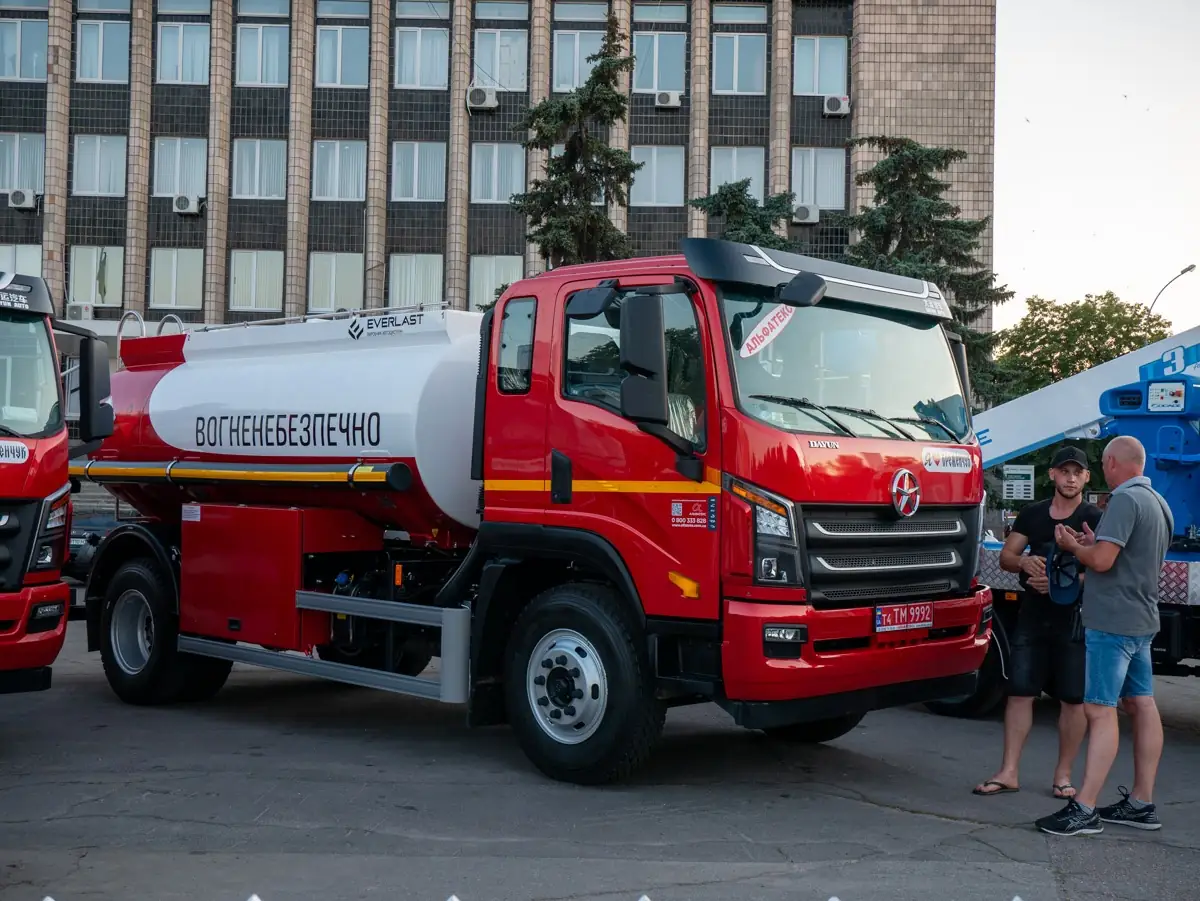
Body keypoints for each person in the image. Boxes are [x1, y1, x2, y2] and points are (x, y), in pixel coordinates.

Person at [1035, 435, 1172, 836]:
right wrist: (1094, 543)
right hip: (1141, 618)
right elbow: (1127, 555)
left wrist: (1072, 546)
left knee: (1099, 709)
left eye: (1103, 464)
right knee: (1142, 704)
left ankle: (1085, 807)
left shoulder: (1125, 500)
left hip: (1112, 621)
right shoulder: (1157, 502)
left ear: (1112, 462)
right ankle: (1141, 804)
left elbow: (1102, 561)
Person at [973, 446, 1102, 800]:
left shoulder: (1094, 518)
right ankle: (1008, 772)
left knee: (1073, 699)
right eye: (1064, 471)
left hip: (1074, 620)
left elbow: (1105, 568)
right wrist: (1025, 563)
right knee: (1019, 693)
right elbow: (1007, 556)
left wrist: (1067, 582)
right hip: (1032, 616)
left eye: (1077, 472)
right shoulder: (1033, 514)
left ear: (1086, 477)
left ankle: (1063, 776)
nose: (1071, 478)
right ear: (1053, 475)